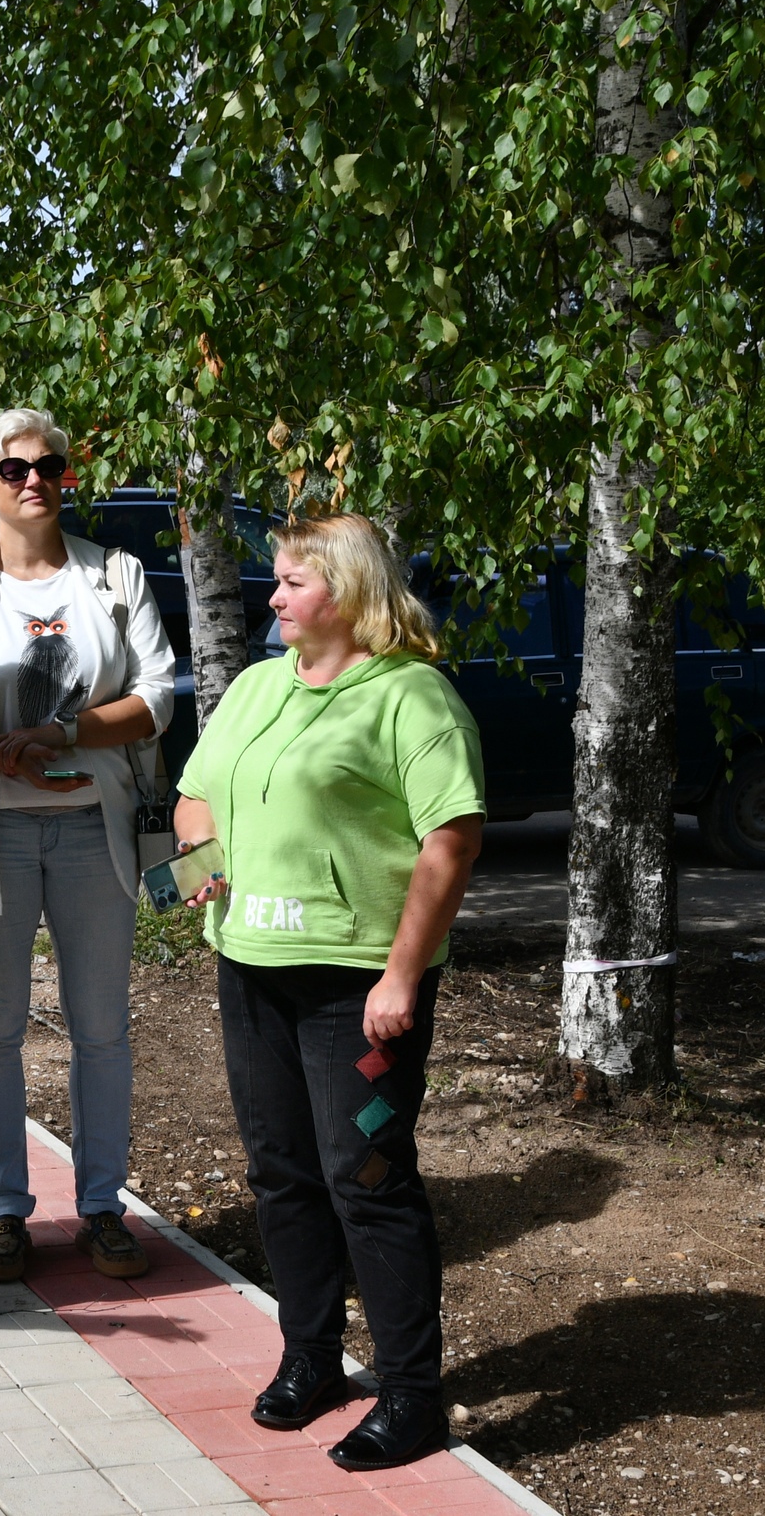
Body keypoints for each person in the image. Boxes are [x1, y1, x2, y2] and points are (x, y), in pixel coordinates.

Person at [172, 513, 483, 1472]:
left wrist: (402, 973)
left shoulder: (412, 698)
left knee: (371, 1180)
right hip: (251, 967)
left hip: (360, 986)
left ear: (347, 591)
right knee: (281, 1170)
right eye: (275, 581)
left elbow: (453, 838)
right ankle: (311, 1357)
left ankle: (413, 1395)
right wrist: (198, 863)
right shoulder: (260, 686)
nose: (272, 597)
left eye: (292, 582)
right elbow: (196, 794)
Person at [0, 408, 175, 1285]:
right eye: (12, 469)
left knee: (101, 1027)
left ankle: (102, 1206)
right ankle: (5, 1213)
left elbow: (158, 695)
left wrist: (61, 734)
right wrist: (5, 752)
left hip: (94, 828)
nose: (32, 478)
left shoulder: (114, 573)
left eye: (48, 464)